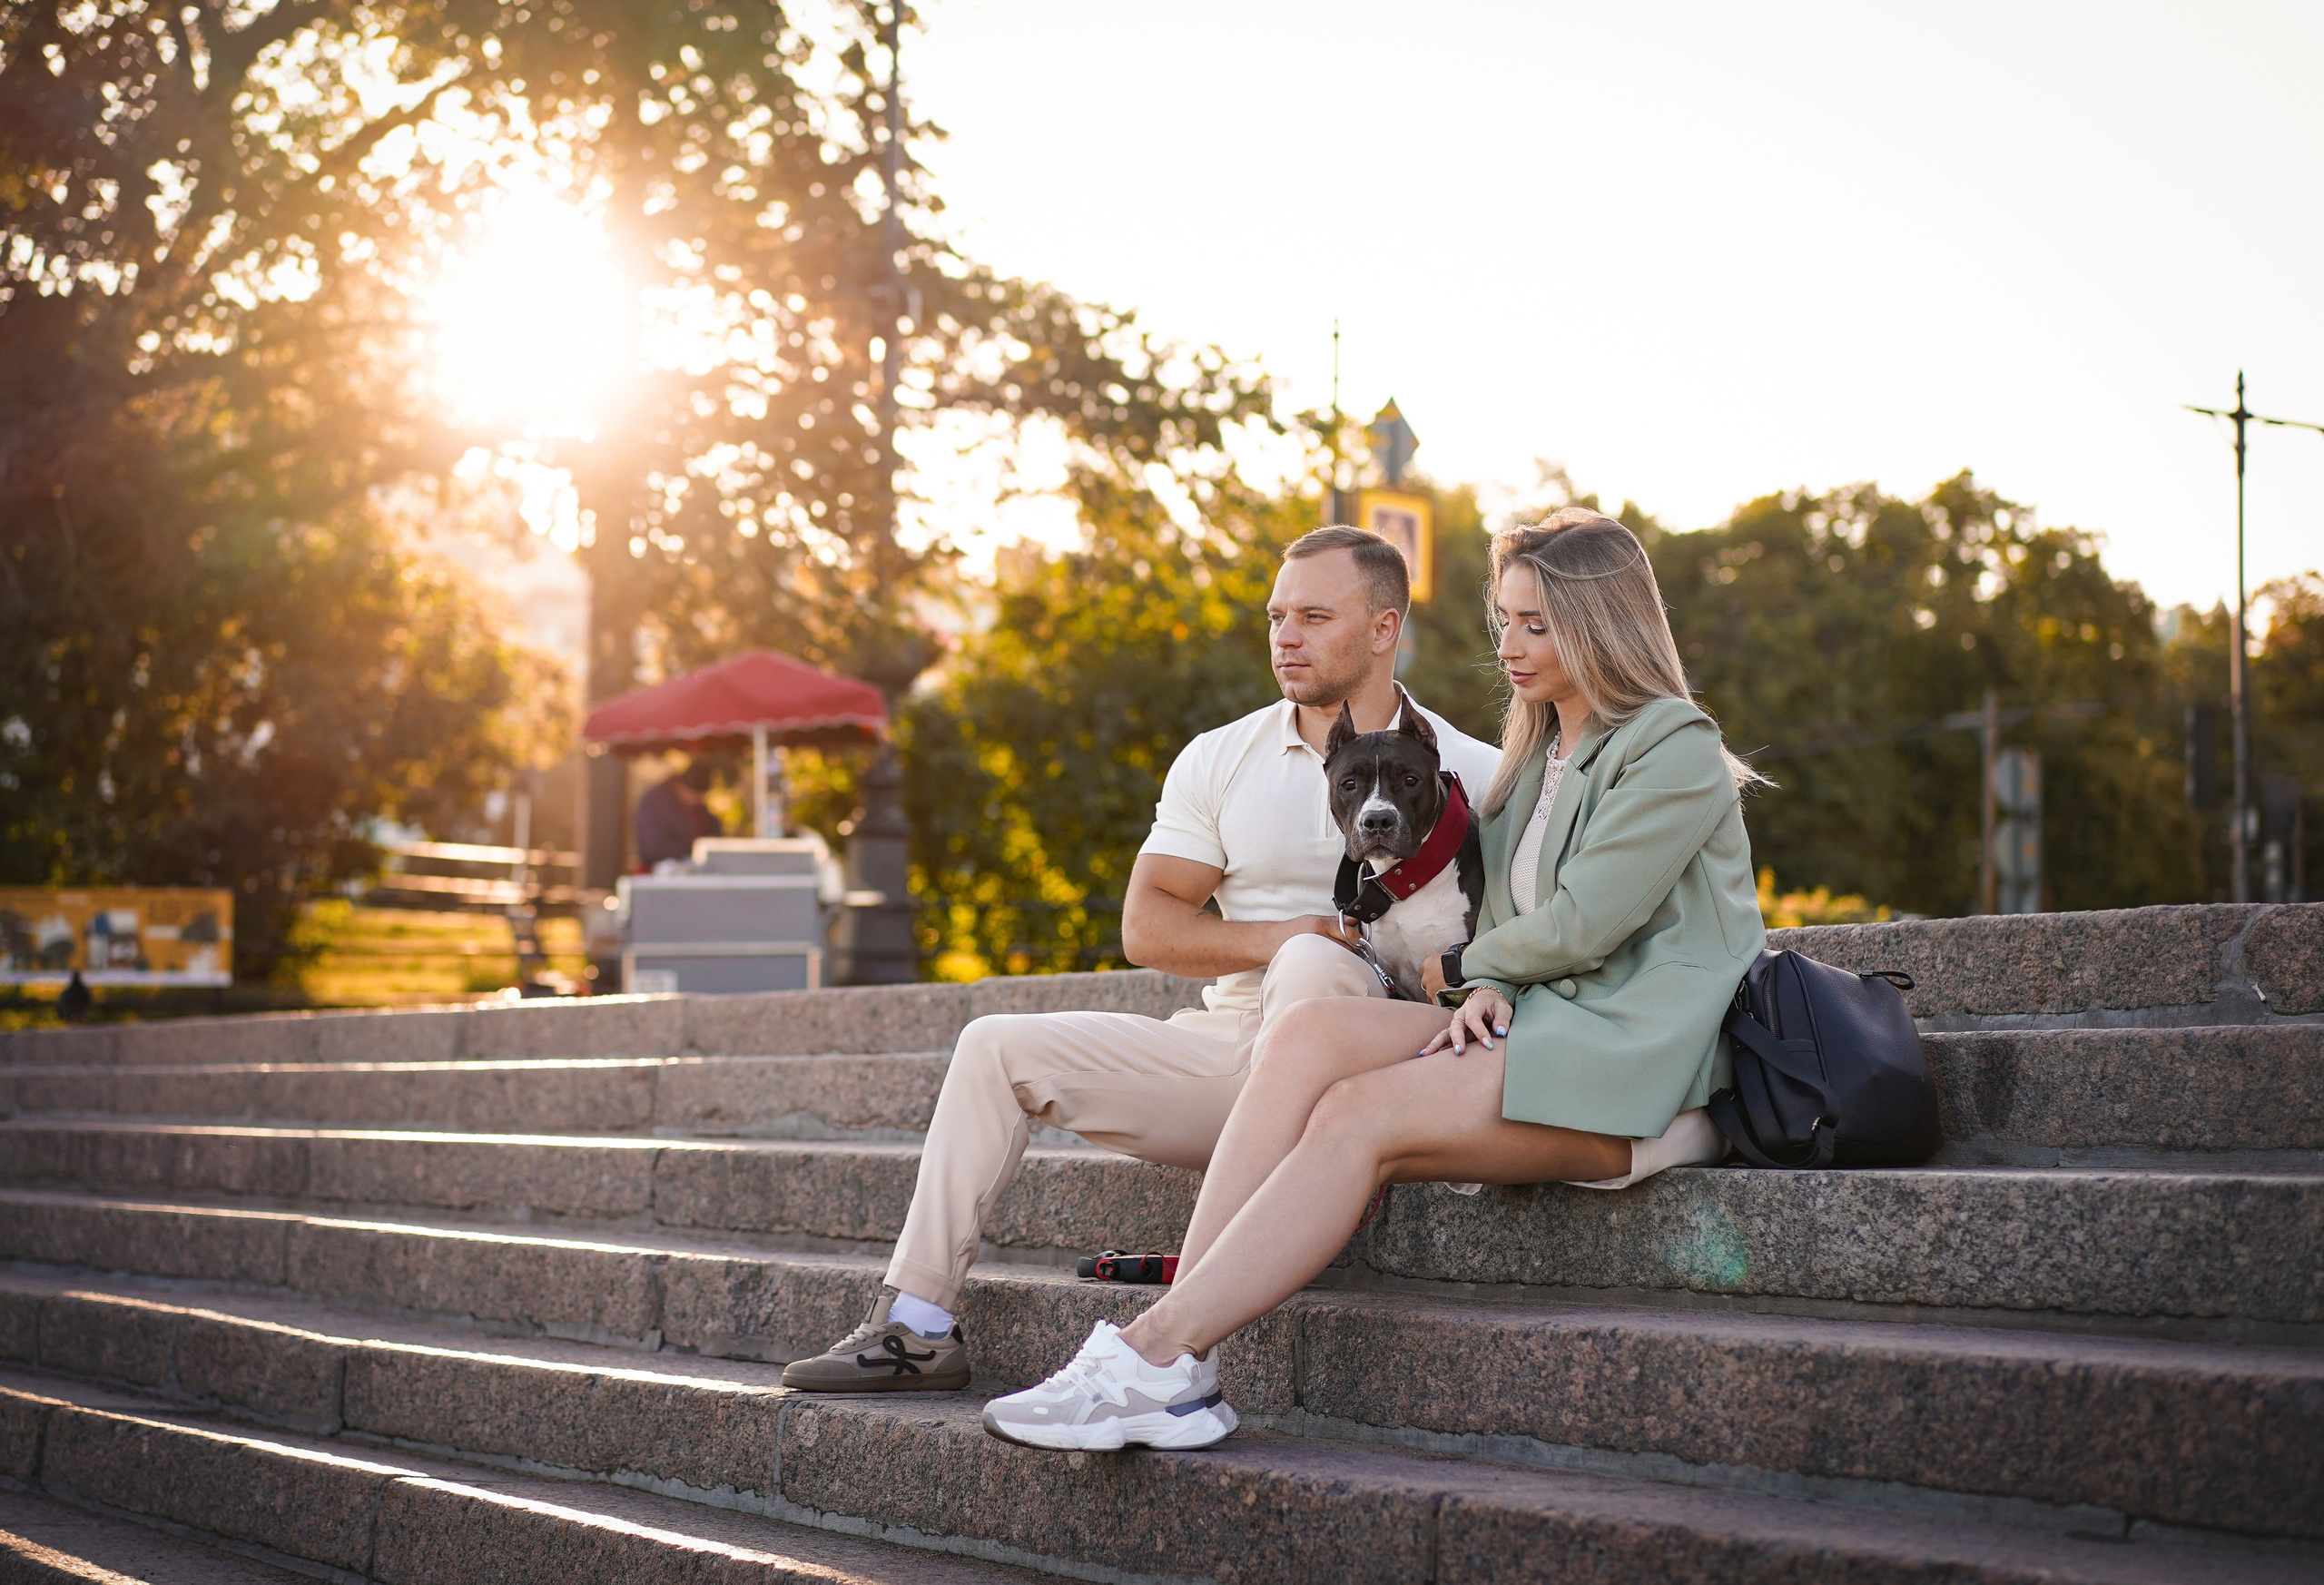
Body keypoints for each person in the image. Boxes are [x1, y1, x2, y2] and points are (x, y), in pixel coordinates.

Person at [980, 508, 1768, 1451]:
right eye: (1504, 622)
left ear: (1603, 625)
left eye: (1537, 625)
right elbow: (1518, 916)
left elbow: (1590, 919)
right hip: (1543, 1022)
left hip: (1639, 1061)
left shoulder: (1672, 742)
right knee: (1311, 1033)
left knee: (1357, 1113)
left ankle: (1154, 1353)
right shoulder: (1534, 752)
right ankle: (1176, 1357)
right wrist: (1486, 988)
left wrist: (1463, 969)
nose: (1509, 648)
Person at [781, 527, 1502, 1392]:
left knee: (1316, 980)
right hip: (1234, 1044)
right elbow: (1148, 927)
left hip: (1370, 1052)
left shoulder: (1474, 770)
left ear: (1385, 628)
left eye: (1314, 615)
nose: (1286, 637)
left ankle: (1171, 1348)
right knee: (991, 1046)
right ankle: (916, 1324)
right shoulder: (1222, 757)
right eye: (1277, 616)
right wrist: (1294, 933)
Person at [634, 759, 723, 869]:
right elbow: (653, 847)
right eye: (694, 795)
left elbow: (713, 832)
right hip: (659, 870)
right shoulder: (655, 801)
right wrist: (692, 850)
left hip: (694, 868)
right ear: (680, 787)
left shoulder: (699, 809)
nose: (697, 800)